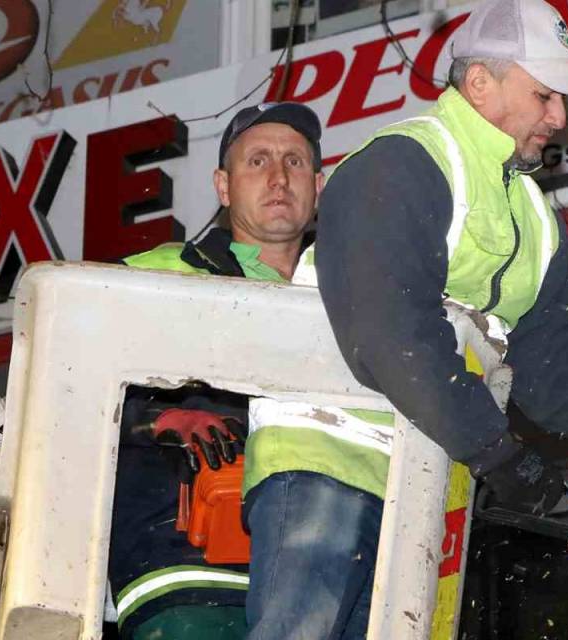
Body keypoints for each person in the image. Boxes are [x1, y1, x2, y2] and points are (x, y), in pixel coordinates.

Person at [316, 0, 568, 518]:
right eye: (545, 95)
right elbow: (389, 332)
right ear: (481, 83)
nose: (560, 116)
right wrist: (496, 451)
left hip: (431, 473)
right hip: (330, 463)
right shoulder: (400, 164)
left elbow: (551, 362)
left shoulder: (533, 214)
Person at [110, 102, 387, 640]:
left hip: (344, 579)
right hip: (188, 575)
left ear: (320, 184)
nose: (279, 178)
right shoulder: (153, 276)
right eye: (257, 161)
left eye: (295, 162)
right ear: (222, 185)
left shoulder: (356, 301)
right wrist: (157, 422)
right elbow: (52, 394)